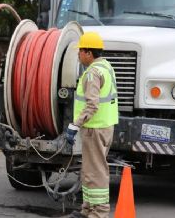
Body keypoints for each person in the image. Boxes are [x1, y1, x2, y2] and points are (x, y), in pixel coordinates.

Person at [65, 32, 119, 218]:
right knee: (90, 170)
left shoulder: (92, 73)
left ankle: (99, 213)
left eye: (80, 51)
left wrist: (75, 125)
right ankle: (87, 211)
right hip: (104, 127)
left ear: (88, 53)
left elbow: (92, 104)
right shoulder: (106, 67)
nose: (78, 54)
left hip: (95, 129)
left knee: (95, 172)